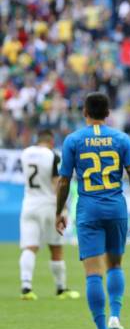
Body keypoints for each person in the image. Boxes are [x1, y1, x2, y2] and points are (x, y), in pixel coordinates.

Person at [55, 92, 130, 329]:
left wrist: (59, 211)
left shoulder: (73, 140)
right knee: (115, 265)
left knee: (93, 273)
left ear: (85, 112)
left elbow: (63, 180)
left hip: (89, 210)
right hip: (116, 208)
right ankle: (115, 316)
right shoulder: (121, 138)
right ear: (108, 114)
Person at [19, 129, 80, 301]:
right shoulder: (52, 156)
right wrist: (63, 210)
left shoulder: (25, 154)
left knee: (29, 247)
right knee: (56, 247)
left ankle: (26, 287)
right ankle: (61, 289)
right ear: (51, 142)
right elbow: (57, 183)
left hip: (29, 204)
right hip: (48, 205)